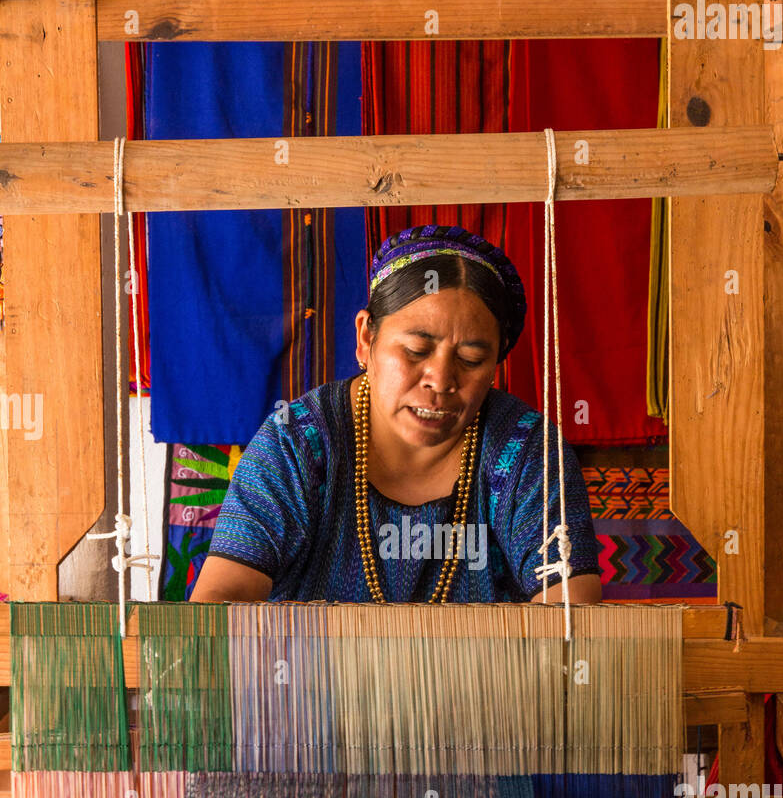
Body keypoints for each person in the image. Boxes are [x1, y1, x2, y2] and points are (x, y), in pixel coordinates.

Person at [191, 224, 601, 606]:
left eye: (471, 359)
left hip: (487, 686)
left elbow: (572, 616)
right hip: (311, 681)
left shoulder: (525, 448)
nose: (441, 380)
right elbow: (221, 603)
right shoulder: (297, 442)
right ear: (366, 337)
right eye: (416, 351)